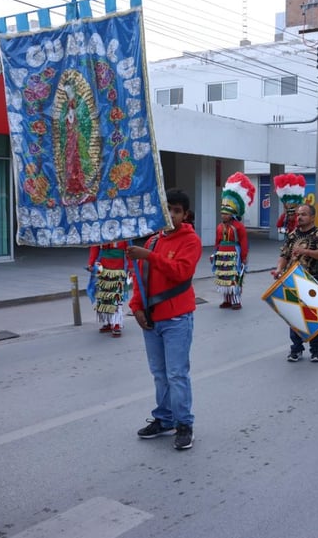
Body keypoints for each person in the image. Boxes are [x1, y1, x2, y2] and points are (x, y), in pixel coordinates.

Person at [127, 188, 202, 450]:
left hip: (177, 318)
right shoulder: (153, 241)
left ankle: (184, 424)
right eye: (167, 209)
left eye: (176, 210)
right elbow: (139, 277)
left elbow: (181, 273)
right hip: (151, 319)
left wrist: (149, 256)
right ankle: (165, 418)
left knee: (176, 374)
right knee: (159, 374)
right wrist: (136, 307)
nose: (170, 214)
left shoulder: (190, 241)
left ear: (185, 214)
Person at [273, 204, 318, 362]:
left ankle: (316, 351)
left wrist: (306, 252)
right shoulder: (292, 235)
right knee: (294, 316)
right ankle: (296, 349)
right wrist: (279, 269)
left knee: (315, 318)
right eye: (298, 214)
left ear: (312, 217)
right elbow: (284, 254)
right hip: (294, 280)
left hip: (313, 279)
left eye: (303, 214)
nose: (299, 217)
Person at [213, 172, 254, 310]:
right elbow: (217, 242)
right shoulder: (219, 227)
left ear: (233, 213)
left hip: (234, 255)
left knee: (235, 278)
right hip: (222, 256)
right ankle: (226, 300)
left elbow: (243, 242)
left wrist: (243, 258)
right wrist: (214, 254)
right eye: (222, 213)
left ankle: (236, 300)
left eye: (226, 213)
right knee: (223, 278)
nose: (223, 215)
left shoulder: (239, 227)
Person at [87, 241, 130, 337]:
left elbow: (129, 250)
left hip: (118, 269)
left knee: (116, 297)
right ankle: (109, 322)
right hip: (103, 268)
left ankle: (117, 324)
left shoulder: (123, 231)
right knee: (104, 297)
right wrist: (91, 263)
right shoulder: (100, 230)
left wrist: (131, 266)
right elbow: (95, 247)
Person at [274, 173, 306, 238]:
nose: (290, 209)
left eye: (293, 207)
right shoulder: (284, 217)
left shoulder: (301, 216)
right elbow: (279, 228)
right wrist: (287, 231)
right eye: (287, 206)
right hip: (289, 242)